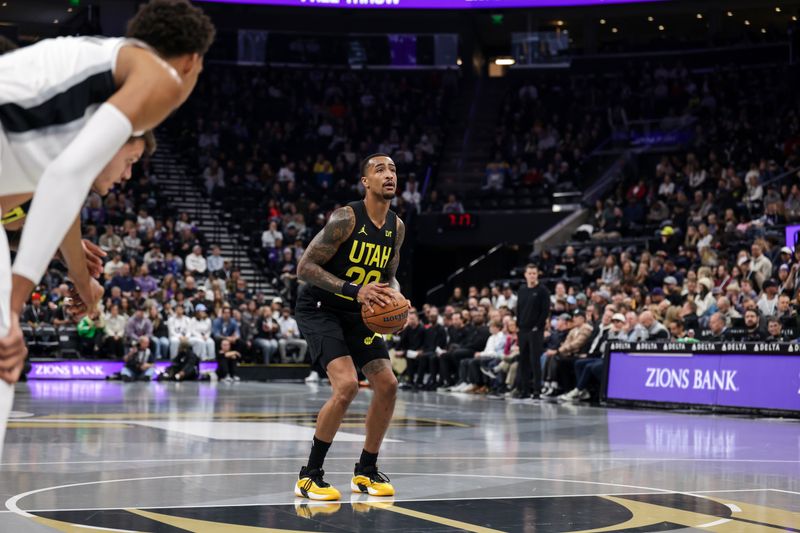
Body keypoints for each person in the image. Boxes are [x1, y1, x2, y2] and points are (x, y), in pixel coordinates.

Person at [293, 154, 407, 501]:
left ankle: (366, 471)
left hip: (361, 311)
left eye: (393, 170)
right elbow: (305, 267)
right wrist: (355, 291)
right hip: (321, 307)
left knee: (387, 385)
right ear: (365, 182)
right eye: (380, 170)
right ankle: (310, 476)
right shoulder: (346, 217)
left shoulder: (396, 227)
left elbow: (387, 278)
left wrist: (398, 302)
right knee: (346, 386)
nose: (389, 175)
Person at [512, 264, 550, 399]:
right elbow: (520, 309)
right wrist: (517, 324)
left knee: (535, 360)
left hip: (535, 330)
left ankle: (537, 391)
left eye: (534, 273)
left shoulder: (542, 290)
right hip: (522, 330)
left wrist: (538, 326)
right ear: (525, 275)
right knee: (524, 360)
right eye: (530, 273)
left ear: (537, 274)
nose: (532, 275)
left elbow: (545, 311)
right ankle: (524, 390)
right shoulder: (522, 289)